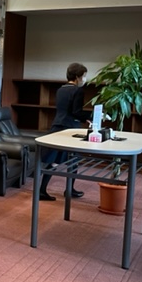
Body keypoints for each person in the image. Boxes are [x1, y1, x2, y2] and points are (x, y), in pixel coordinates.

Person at [39, 62, 92, 201]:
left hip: (57, 126)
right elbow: (76, 112)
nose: (84, 79)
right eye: (84, 76)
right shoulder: (78, 91)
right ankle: (69, 190)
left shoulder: (61, 90)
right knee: (74, 159)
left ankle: (42, 189)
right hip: (70, 128)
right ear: (77, 77)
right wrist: (89, 117)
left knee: (55, 160)